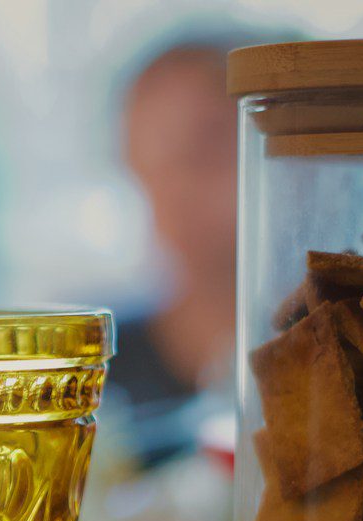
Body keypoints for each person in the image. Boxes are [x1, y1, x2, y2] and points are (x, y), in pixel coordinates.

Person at [114, 28, 277, 466]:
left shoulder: (341, 353)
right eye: (154, 155)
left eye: (207, 146)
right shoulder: (101, 374)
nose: (177, 186)